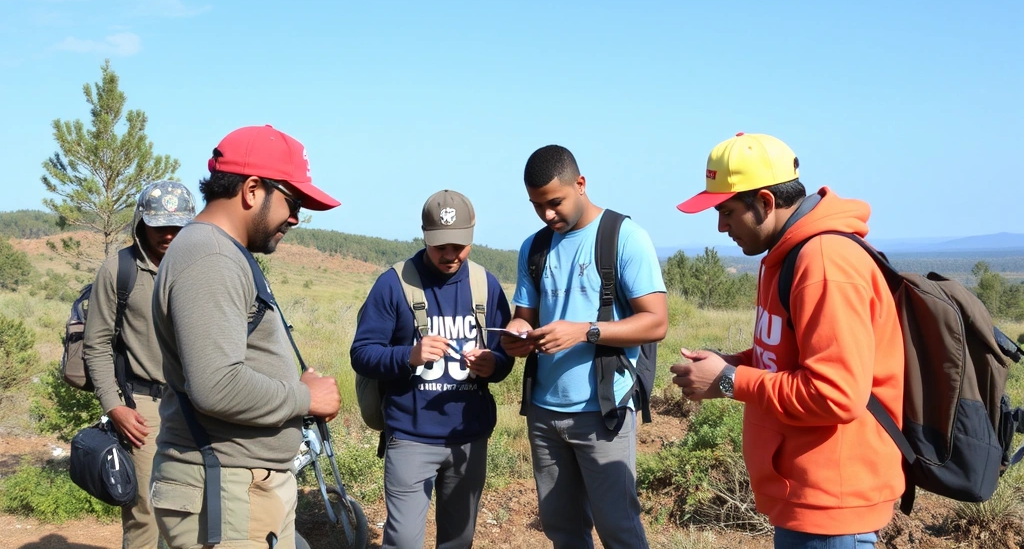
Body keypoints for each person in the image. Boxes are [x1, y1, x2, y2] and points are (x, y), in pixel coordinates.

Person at [670, 132, 905, 549]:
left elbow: (836, 394)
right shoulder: (784, 255)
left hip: (831, 512)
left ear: (764, 202)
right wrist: (731, 362)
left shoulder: (824, 263)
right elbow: (787, 354)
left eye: (727, 211)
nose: (720, 226)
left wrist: (728, 380)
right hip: (806, 499)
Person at [150, 125, 341, 549]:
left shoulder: (216, 251)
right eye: (292, 202)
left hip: (235, 488)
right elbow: (217, 384)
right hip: (227, 490)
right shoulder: (211, 257)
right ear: (253, 189)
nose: (294, 218)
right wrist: (305, 398)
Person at [501, 145, 668, 549]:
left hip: (603, 412)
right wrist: (517, 333)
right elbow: (526, 314)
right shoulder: (534, 247)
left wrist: (584, 332)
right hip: (544, 413)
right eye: (537, 205)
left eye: (555, 202)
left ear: (581, 184)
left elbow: (656, 321)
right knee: (563, 531)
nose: (547, 214)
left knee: (619, 530)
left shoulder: (624, 237)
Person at [351, 189, 514, 549]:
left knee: (459, 541)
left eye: (460, 245)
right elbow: (362, 354)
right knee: (404, 541)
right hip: (410, 437)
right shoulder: (393, 284)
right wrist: (409, 356)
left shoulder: (485, 286)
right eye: (441, 246)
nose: (451, 255)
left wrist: (494, 364)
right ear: (425, 235)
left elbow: (505, 355)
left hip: (469, 440)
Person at [82, 180, 195, 549]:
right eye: (159, 224)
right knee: (144, 509)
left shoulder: (201, 268)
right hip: (144, 407)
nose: (168, 234)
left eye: (177, 226)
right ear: (141, 222)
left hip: (200, 402)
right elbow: (96, 345)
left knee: (197, 505)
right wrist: (114, 407)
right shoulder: (119, 270)